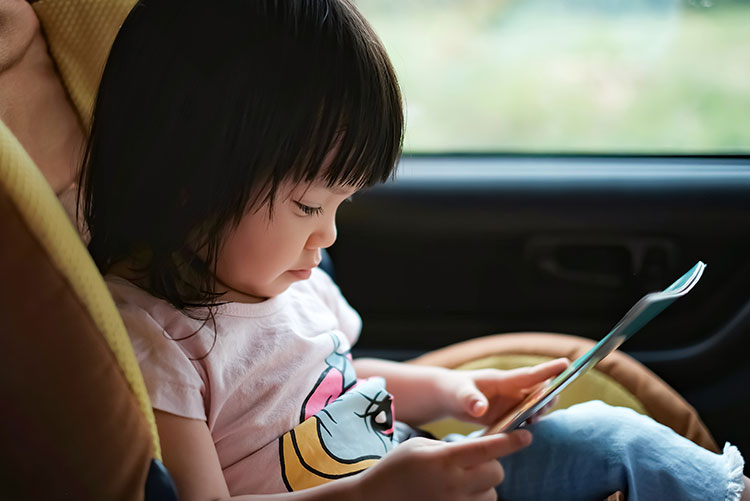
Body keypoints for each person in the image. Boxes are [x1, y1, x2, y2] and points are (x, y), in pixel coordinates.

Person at [77, 0, 748, 500]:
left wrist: (459, 391)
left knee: (610, 435)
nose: (329, 234)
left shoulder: (289, 282)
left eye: (343, 204)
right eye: (310, 205)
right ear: (192, 182)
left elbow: (342, 381)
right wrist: (372, 493)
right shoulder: (152, 341)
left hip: (415, 467)